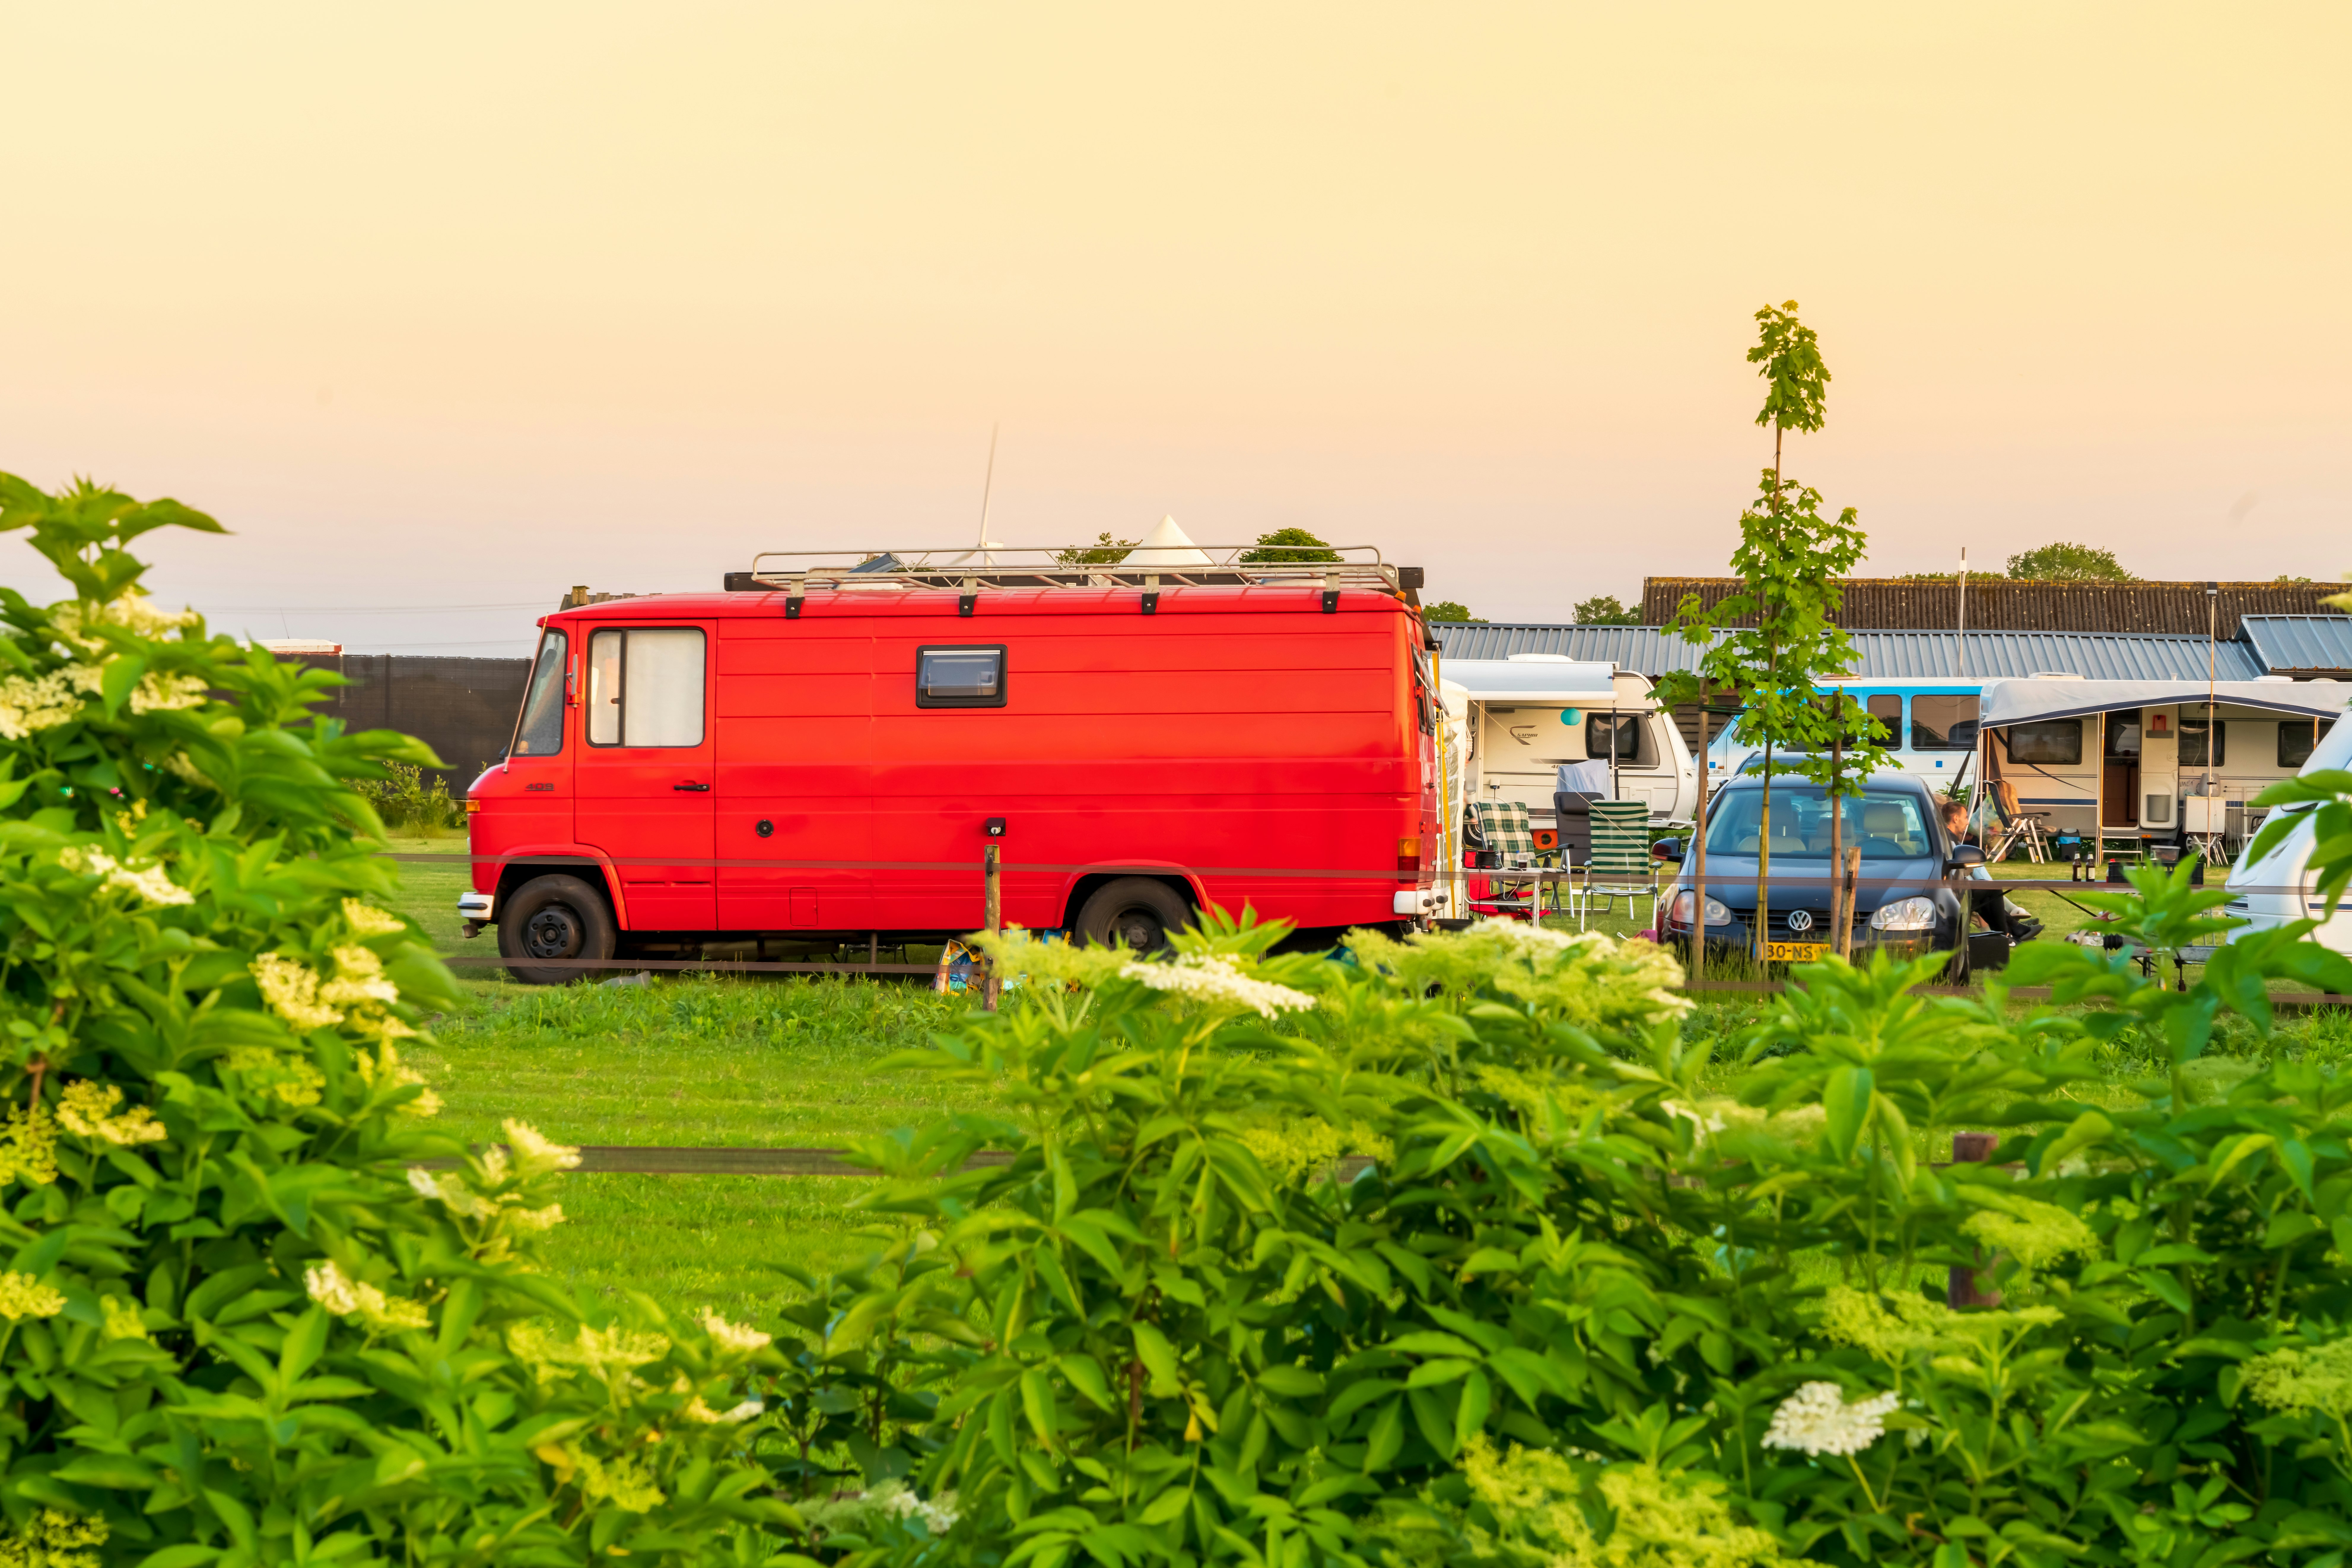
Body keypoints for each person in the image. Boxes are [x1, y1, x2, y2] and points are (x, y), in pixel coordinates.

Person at [1941, 798, 2040, 941]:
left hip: (1955, 889)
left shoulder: (1947, 838)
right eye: (1966, 818)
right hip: (1953, 894)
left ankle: (2014, 933)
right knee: (1992, 889)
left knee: (1989, 891)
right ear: (1956, 819)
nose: (1968, 822)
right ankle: (2009, 934)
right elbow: (1956, 871)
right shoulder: (1949, 841)